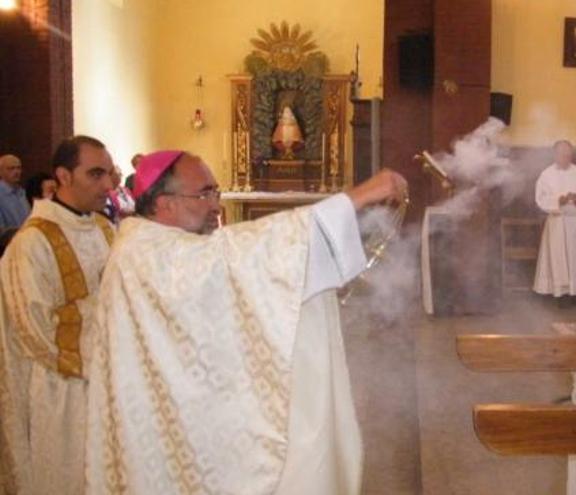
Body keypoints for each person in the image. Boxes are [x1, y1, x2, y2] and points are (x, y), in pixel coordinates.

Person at [85, 151, 407, 494]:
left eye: (216, 193)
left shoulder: (158, 247)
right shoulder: (145, 253)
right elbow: (240, 258)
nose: (215, 206)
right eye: (204, 194)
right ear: (166, 204)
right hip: (164, 433)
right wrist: (356, 197)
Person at [0, 136, 115, 494]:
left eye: (109, 174)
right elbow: (35, 329)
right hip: (59, 389)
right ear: (63, 176)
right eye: (95, 174)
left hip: (104, 382)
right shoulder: (31, 242)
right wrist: (115, 329)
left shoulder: (103, 229)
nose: (108, 186)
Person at [533, 140, 576, 299]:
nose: (566, 158)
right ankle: (558, 292)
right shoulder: (546, 174)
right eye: (562, 154)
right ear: (555, 155)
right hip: (558, 222)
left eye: (568, 155)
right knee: (558, 259)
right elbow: (540, 198)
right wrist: (558, 201)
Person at [0, 154, 30, 230]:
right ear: (1, 171)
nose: (16, 172)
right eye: (11, 168)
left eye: (18, 168)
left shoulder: (23, 193)